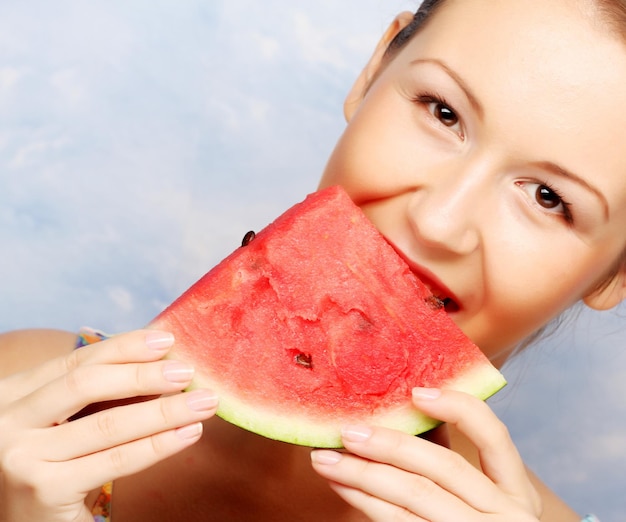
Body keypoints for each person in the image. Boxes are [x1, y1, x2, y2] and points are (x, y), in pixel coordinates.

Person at [1, 0, 624, 520]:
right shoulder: (21, 408)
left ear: (615, 272)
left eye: (550, 199)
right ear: (374, 71)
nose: (439, 222)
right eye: (443, 111)